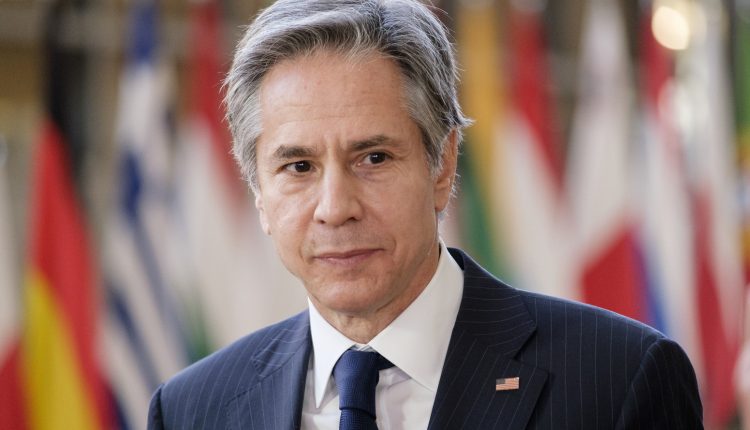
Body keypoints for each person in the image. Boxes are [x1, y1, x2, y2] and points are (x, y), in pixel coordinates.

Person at [147, 0, 703, 428]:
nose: (335, 209)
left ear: (442, 165)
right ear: (258, 192)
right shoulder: (191, 409)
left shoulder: (620, 378)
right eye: (298, 166)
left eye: (373, 158)